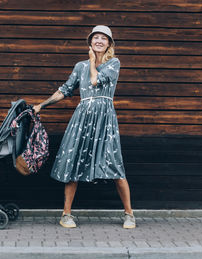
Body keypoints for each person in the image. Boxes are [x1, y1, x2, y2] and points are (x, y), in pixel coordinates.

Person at [33, 25, 136, 229]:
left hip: (104, 119)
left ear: (109, 44)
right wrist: (41, 105)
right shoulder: (79, 66)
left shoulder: (113, 63)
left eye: (103, 38)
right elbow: (65, 90)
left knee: (115, 165)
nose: (99, 41)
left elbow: (95, 81)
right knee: (74, 162)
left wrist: (91, 61)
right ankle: (66, 214)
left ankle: (129, 214)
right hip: (82, 119)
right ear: (90, 42)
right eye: (95, 37)